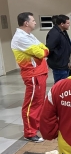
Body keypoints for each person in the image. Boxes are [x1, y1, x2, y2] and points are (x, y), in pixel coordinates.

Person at [11, 12, 49, 143]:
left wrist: (43, 51)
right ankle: (29, 132)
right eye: (33, 20)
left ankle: (36, 125)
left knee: (39, 103)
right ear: (26, 23)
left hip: (40, 73)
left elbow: (45, 48)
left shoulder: (29, 35)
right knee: (31, 105)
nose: (35, 22)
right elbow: (40, 52)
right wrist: (43, 51)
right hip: (33, 75)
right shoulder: (20, 38)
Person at [46, 14, 71, 83]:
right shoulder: (54, 33)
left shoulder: (63, 32)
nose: (69, 25)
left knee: (65, 84)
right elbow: (49, 48)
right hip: (59, 64)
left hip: (65, 63)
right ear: (62, 24)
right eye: (68, 23)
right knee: (60, 85)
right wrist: (58, 57)